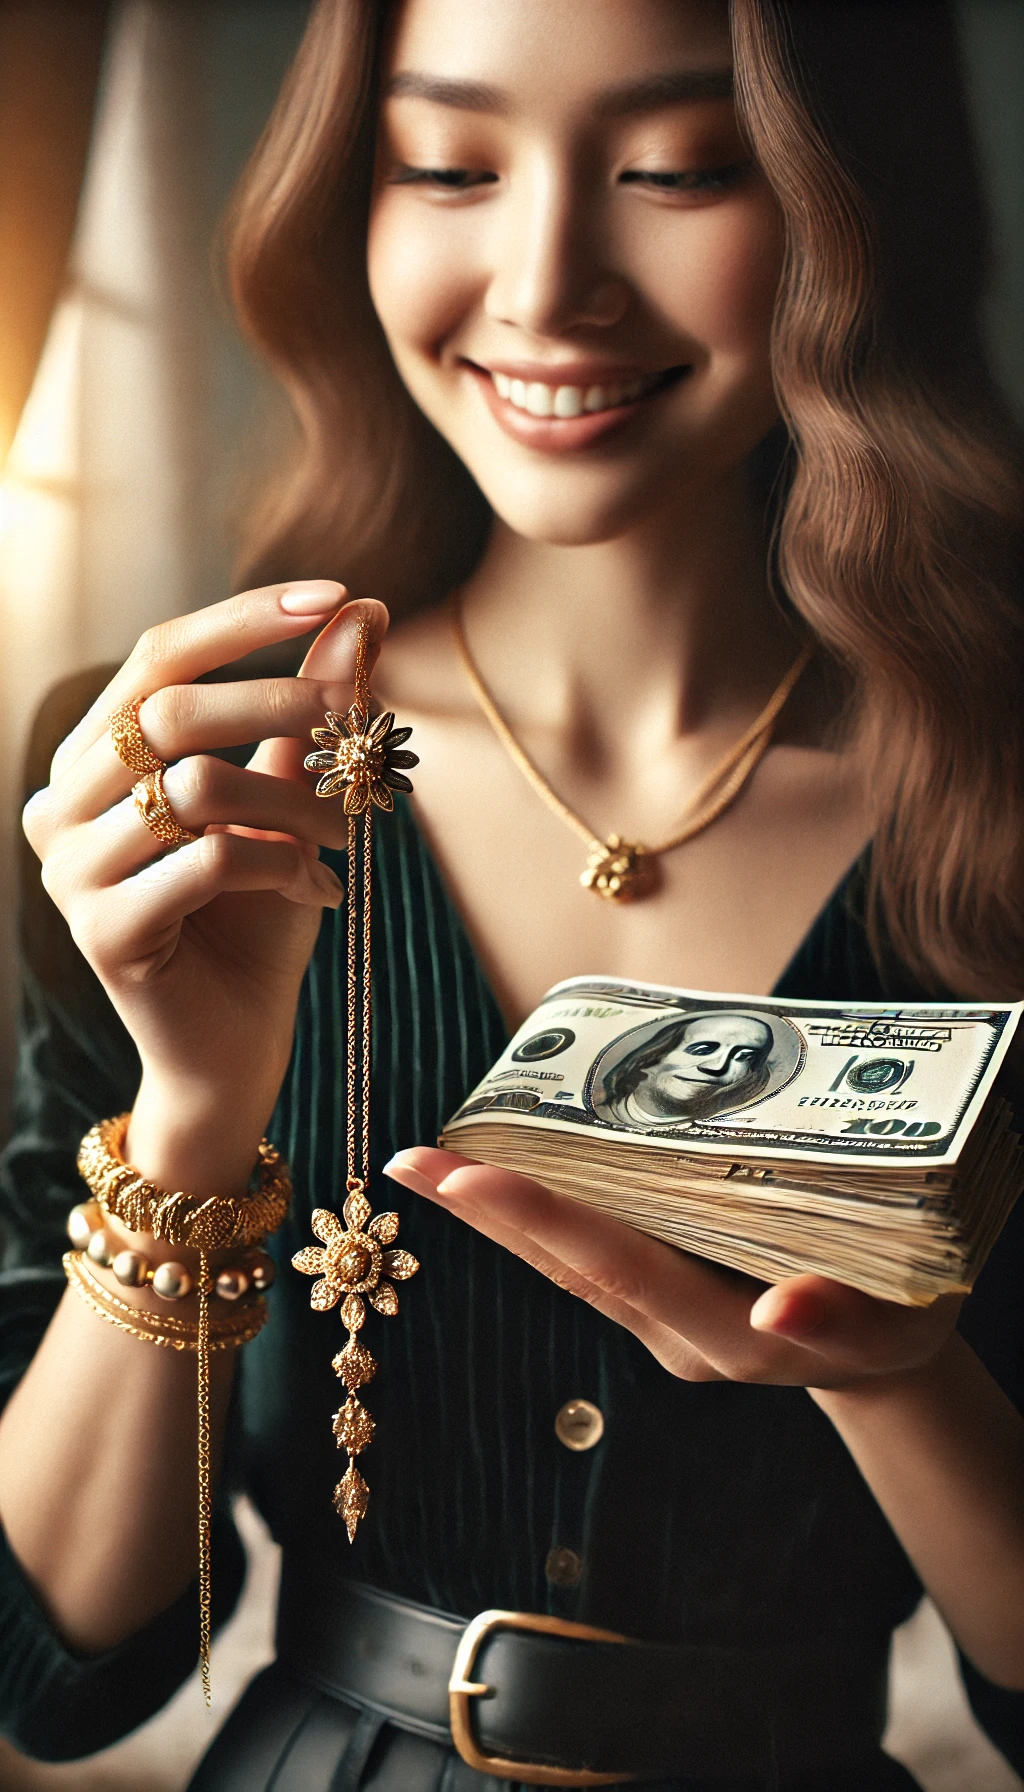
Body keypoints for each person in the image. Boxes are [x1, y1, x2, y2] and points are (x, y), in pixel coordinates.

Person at [1, 0, 1023, 1786]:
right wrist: (192, 1121)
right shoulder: (164, 789)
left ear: (843, 199)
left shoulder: (993, 805)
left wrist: (888, 1368)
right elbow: (58, 1668)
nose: (545, 283)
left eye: (675, 169)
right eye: (446, 165)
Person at [596, 1012, 776, 1127]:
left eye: (743, 1057)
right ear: (651, 1058)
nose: (718, 1067)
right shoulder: (603, 1114)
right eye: (701, 1050)